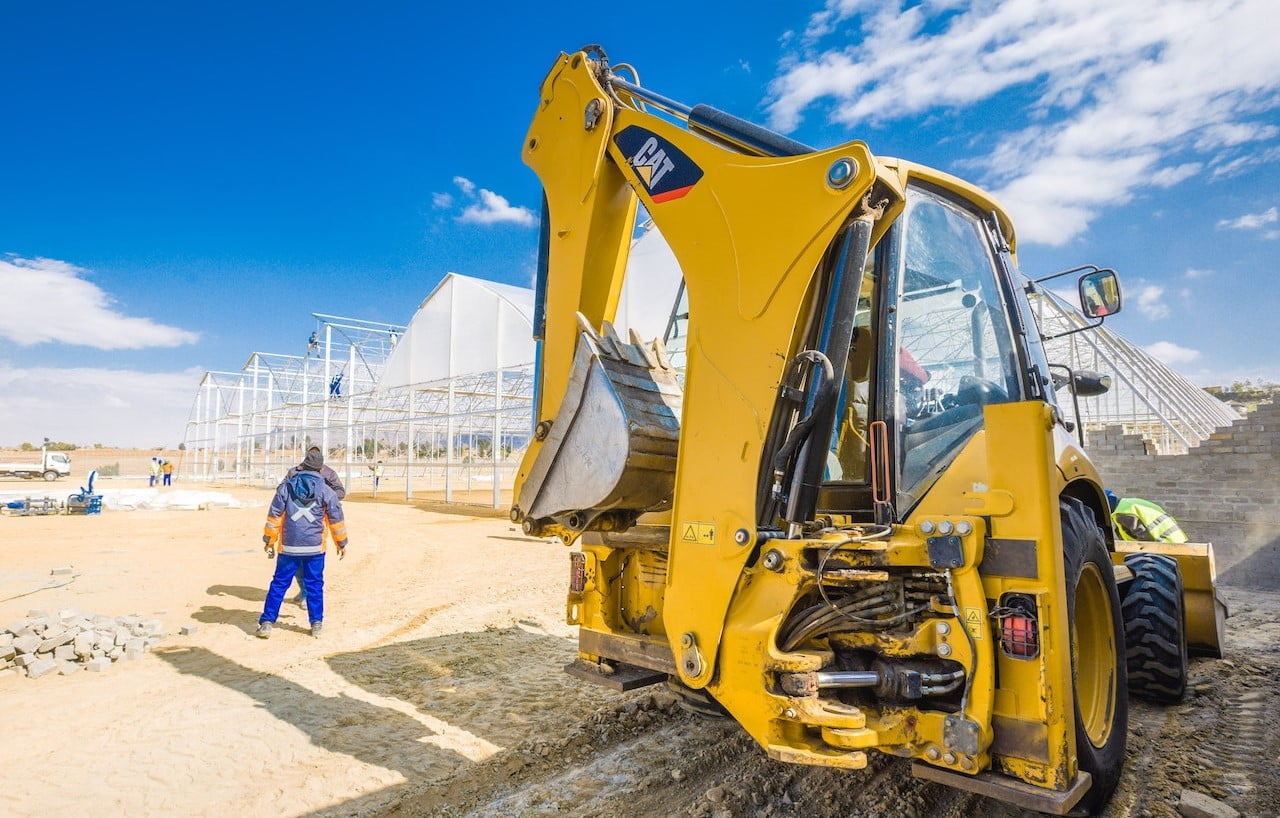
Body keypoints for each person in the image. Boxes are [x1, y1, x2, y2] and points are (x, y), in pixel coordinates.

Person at [258, 469, 348, 639]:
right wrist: (341, 543)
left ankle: (266, 623)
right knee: (315, 586)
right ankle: (316, 624)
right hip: (315, 549)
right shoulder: (326, 490)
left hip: (288, 548)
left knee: (278, 584)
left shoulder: (285, 488)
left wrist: (269, 540)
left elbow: (274, 517)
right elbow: (336, 519)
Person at [283, 447, 347, 605]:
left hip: (316, 521)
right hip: (295, 523)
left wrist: (324, 498)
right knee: (297, 564)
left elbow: (340, 491)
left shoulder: (328, 473)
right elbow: (282, 491)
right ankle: (304, 591)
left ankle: (307, 594)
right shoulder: (294, 472)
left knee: (311, 562)